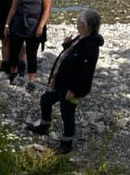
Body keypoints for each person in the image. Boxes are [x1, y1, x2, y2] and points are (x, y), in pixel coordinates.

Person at [27, 9, 103, 154]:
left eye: (78, 20)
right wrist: (66, 45)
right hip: (61, 82)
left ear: (83, 24)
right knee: (46, 100)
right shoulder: (80, 38)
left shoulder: (90, 45)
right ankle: (44, 126)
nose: (76, 22)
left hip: (72, 87)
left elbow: (85, 71)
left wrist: (74, 90)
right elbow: (71, 56)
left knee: (67, 113)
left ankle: (66, 143)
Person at [4, 0, 53, 91]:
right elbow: (13, 8)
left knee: (31, 54)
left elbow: (46, 11)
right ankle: (13, 73)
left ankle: (31, 79)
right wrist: (7, 24)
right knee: (14, 51)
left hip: (34, 25)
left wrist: (41, 26)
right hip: (18, 24)